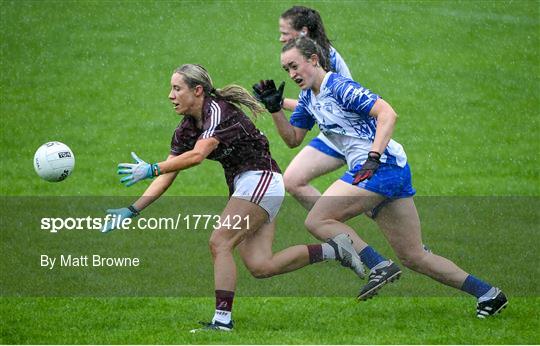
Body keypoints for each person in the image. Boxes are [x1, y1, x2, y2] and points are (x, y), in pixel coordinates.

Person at [254, 37, 508, 318]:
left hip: (380, 166)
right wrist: (275, 109)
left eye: (294, 66)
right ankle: (488, 294)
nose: (291, 74)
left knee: (318, 220)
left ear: (313, 60)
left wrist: (373, 157)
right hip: (387, 170)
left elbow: (387, 113)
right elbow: (292, 139)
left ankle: (378, 265)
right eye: (286, 70)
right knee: (414, 256)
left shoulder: (339, 87)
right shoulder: (307, 99)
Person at [102, 64, 366, 332]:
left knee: (220, 242)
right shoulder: (186, 128)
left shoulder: (217, 112)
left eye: (176, 88)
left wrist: (151, 168)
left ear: (197, 90)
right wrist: (133, 209)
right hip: (253, 186)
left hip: (260, 180)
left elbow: (196, 156)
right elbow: (169, 174)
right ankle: (336, 250)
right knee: (262, 266)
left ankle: (222, 322)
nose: (170, 95)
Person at [277, 6, 351, 210]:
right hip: (333, 134)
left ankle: (336, 228)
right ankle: (339, 233)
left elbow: (315, 107)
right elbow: (311, 107)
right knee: (292, 181)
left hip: (352, 136)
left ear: (303, 32)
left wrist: (279, 104)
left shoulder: (322, 62)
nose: (281, 38)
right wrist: (276, 104)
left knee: (373, 205)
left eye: (284, 33)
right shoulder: (307, 57)